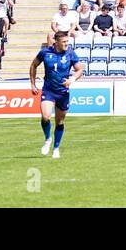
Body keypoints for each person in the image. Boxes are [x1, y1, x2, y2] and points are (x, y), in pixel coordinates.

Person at [29, 30, 83, 160]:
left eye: (67, 41)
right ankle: (48, 139)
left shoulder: (70, 53)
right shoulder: (45, 52)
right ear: (56, 42)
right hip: (48, 90)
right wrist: (32, 84)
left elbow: (80, 69)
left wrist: (72, 80)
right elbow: (33, 65)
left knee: (60, 121)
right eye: (64, 42)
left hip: (63, 93)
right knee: (46, 116)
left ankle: (56, 148)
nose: (66, 44)